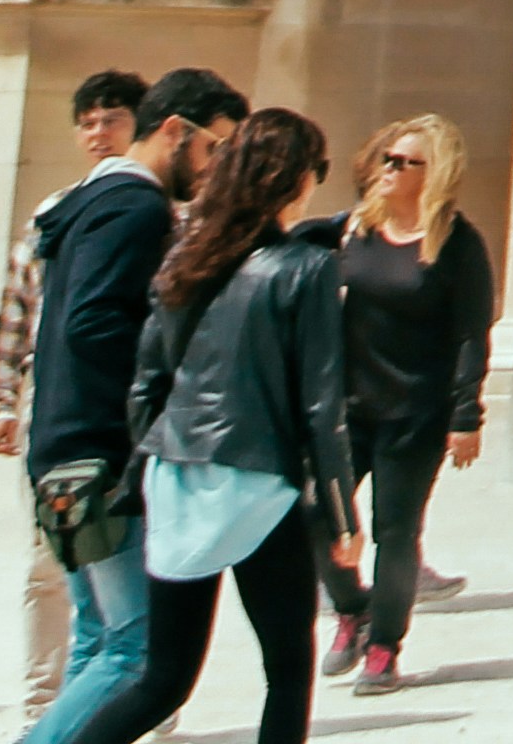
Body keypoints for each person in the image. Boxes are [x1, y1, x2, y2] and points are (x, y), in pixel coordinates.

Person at [96, 108, 356, 744]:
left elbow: (146, 384)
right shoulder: (307, 267)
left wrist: (147, 465)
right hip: (257, 481)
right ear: (296, 179)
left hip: (176, 473)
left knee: (164, 678)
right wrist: (344, 517)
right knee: (289, 667)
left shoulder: (188, 256)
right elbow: (323, 405)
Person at [23, 68, 248, 744]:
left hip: (63, 445)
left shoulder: (89, 201)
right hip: (103, 455)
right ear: (176, 131)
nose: (214, 170)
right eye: (215, 148)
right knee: (135, 651)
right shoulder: (135, 207)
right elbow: (94, 325)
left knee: (98, 640)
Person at [0, 71, 153, 722]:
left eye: (112, 118)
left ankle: (138, 709)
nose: (99, 132)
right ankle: (43, 705)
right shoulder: (55, 213)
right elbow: (17, 313)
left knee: (124, 578)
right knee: (50, 570)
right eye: (88, 121)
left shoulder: (149, 208)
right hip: (51, 409)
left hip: (109, 415)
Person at [302, 116, 491, 698]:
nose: (387, 170)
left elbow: (471, 334)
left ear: (434, 174)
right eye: (386, 158)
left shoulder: (457, 243)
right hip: (350, 406)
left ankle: (384, 644)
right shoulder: (354, 229)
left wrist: (466, 416)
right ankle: (351, 608)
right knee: (313, 509)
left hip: (417, 409)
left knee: (395, 529)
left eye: (403, 162)